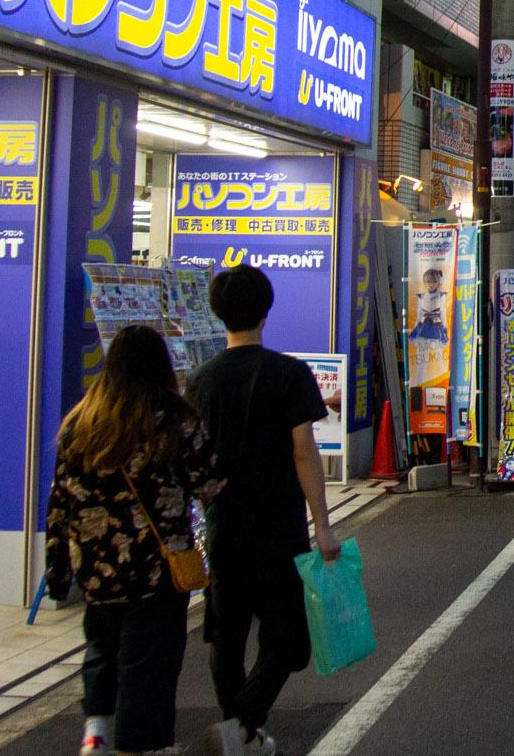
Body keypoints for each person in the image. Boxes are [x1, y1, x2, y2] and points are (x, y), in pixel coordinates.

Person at [46, 325, 222, 756]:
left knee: (102, 649)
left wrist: (58, 570)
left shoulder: (80, 424)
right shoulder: (175, 420)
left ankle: (96, 734)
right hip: (157, 570)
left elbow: (60, 503)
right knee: (149, 664)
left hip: (96, 568)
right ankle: (143, 747)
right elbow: (211, 484)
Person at [190, 265, 340, 756]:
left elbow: (191, 461)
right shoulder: (288, 373)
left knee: (226, 638)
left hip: (224, 528)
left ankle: (239, 731)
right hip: (279, 527)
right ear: (266, 310)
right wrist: (322, 523)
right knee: (290, 641)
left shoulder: (200, 382)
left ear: (218, 313)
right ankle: (243, 728)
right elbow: (304, 451)